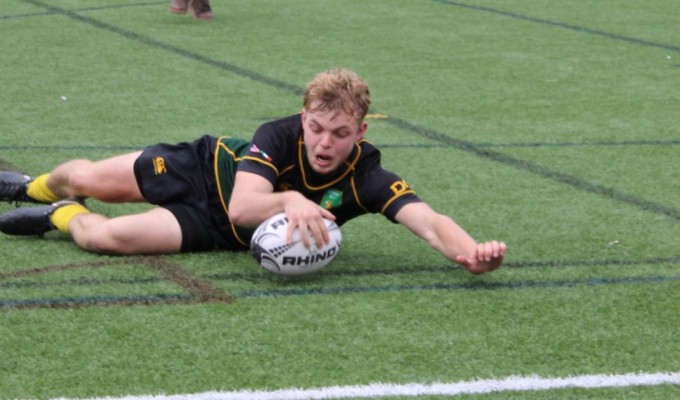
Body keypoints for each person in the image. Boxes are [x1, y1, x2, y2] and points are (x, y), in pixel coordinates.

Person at [0, 68, 506, 275]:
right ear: (303, 118)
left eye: (340, 132)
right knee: (87, 179)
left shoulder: (365, 176)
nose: (325, 142)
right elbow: (245, 203)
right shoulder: (278, 134)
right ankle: (34, 187)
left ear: (361, 131)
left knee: (103, 238)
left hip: (219, 231)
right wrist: (290, 199)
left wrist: (470, 251)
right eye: (317, 128)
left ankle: (58, 215)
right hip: (203, 171)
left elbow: (428, 220)